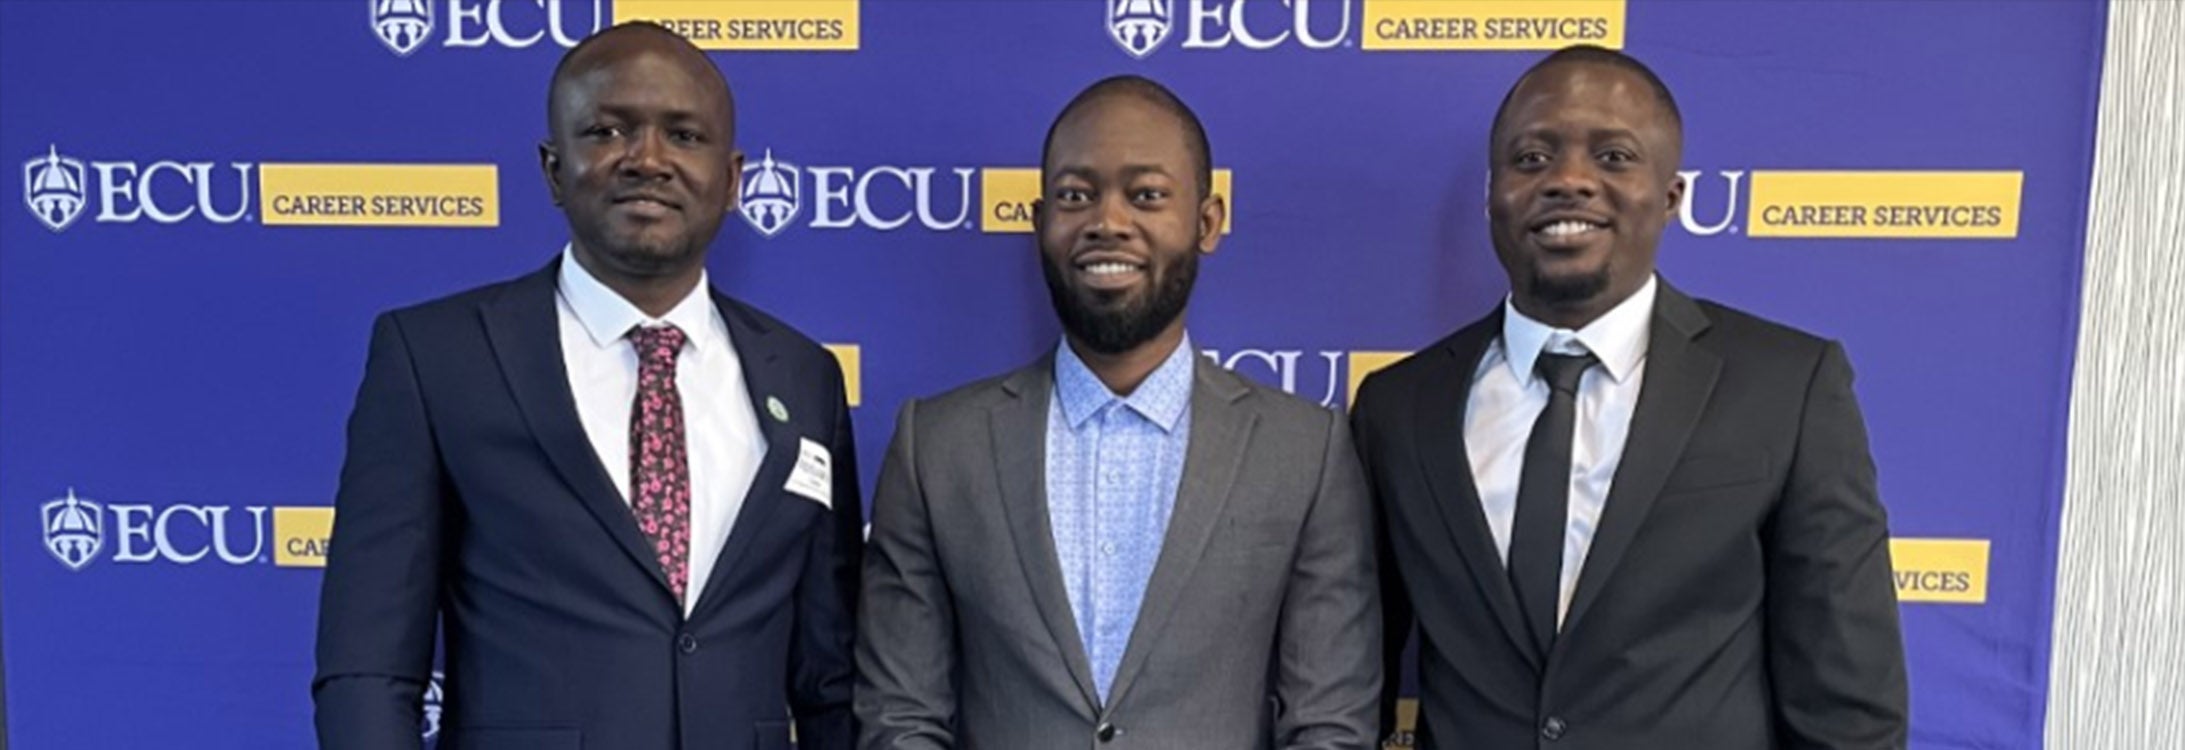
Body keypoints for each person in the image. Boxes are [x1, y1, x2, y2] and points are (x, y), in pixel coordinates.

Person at [314, 22, 860, 750]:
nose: (648, 160)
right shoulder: (434, 357)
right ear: (552, 168)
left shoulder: (804, 375)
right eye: (607, 130)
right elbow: (367, 668)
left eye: (685, 136)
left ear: (731, 181)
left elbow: (830, 674)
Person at [1352, 45, 1909, 749]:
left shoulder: (1787, 386)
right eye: (1530, 160)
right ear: (1491, 194)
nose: (1569, 181)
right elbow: (1353, 675)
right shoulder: (1397, 407)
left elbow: (1848, 698)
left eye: (1613, 157)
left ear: (1670, 196)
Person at [854, 75, 1380, 749]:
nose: (1107, 221)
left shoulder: (1305, 452)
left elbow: (1329, 728)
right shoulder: (936, 447)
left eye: (1146, 195)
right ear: (1040, 221)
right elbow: (900, 718)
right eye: (1075, 196)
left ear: (1208, 221)